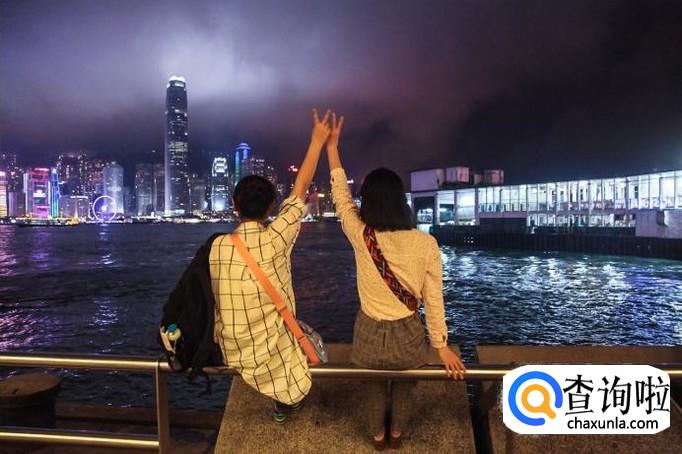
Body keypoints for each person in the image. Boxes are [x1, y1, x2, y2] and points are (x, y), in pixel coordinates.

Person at [326, 112, 466, 449]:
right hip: (408, 335)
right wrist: (440, 345)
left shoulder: (362, 235)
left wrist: (332, 147)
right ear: (402, 201)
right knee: (405, 385)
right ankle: (398, 433)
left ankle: (377, 436)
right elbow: (434, 298)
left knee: (372, 386)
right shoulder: (426, 243)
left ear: (368, 202)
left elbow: (341, 199)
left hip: (369, 334)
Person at [210, 109, 331, 424]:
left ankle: (281, 397)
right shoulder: (275, 238)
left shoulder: (217, 247)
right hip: (269, 349)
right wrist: (317, 141)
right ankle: (285, 403)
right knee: (308, 343)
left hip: (230, 348)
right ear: (271, 206)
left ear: (234, 206)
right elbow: (300, 190)